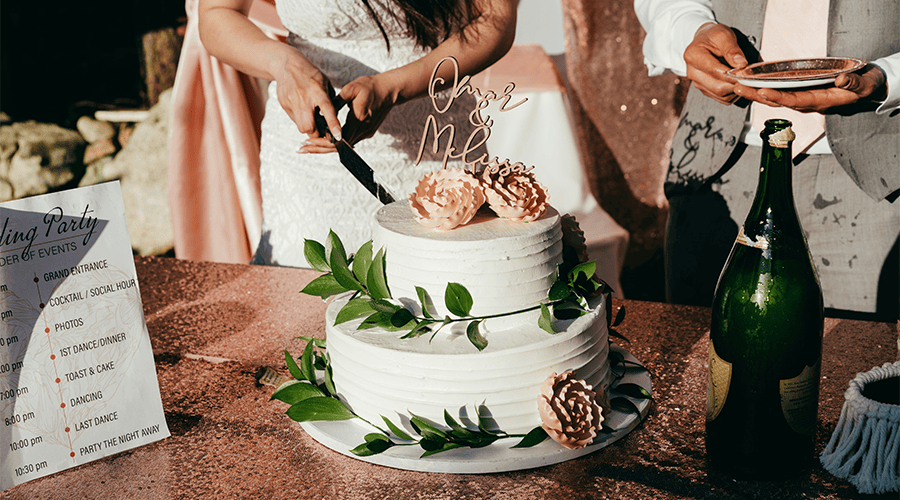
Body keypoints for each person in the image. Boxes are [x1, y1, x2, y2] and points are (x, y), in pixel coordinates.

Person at [197, 0, 518, 266]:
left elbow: (495, 20)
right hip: (311, 155)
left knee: (445, 296)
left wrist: (393, 89)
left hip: (434, 143)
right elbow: (217, 15)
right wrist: (282, 65)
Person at [634, 0, 900, 320]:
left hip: (881, 171)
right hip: (720, 162)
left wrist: (890, 77)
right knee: (703, 357)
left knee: (867, 362)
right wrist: (691, 29)